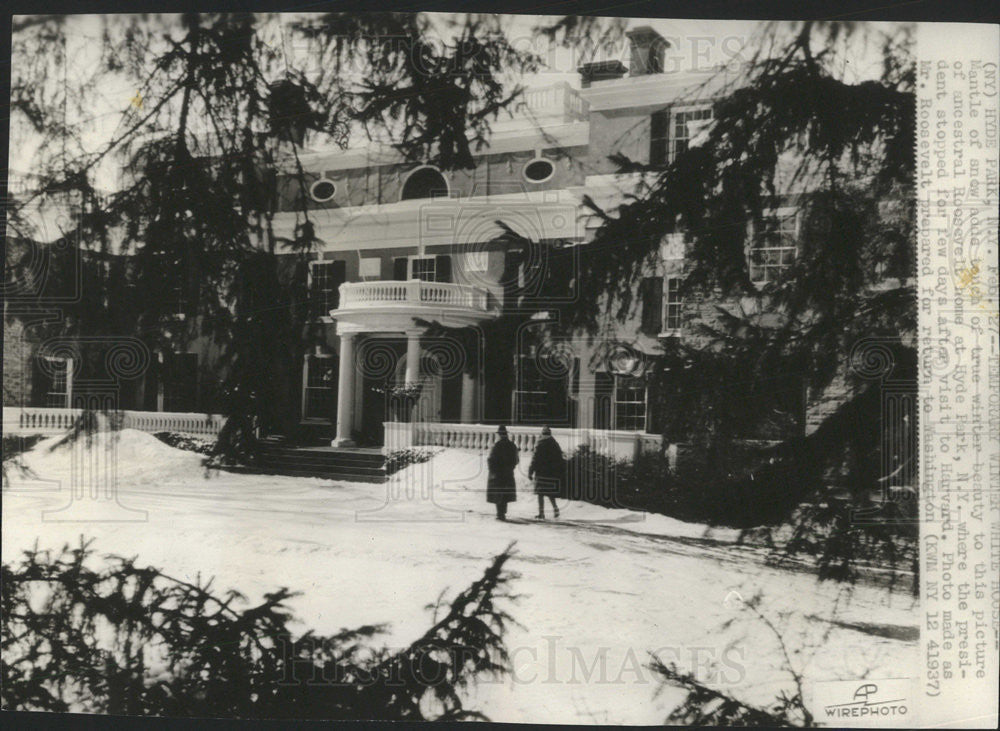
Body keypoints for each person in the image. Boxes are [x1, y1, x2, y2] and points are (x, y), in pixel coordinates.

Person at [528, 426, 563, 519]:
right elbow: (560, 458)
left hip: (541, 472)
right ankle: (556, 509)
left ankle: (541, 513)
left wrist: (530, 471)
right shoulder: (555, 444)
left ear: (542, 434)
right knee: (550, 493)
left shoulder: (540, 444)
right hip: (551, 472)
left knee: (540, 494)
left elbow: (535, 459)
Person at [486, 425, 519, 521]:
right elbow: (516, 460)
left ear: (500, 435)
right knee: (505, 493)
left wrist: (492, 469)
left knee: (498, 493)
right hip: (508, 473)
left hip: (498, 473)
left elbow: (491, 459)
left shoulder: (497, 445)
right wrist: (511, 467)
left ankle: (500, 514)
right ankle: (503, 512)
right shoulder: (512, 445)